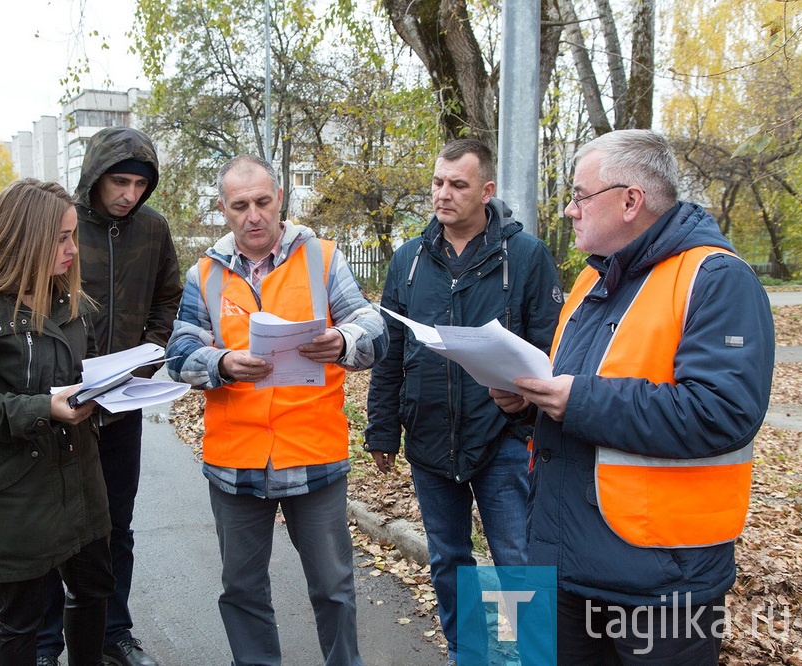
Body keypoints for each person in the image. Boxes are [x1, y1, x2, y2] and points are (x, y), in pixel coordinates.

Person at [491, 129, 774, 663]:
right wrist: (528, 404)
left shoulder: (716, 279)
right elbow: (576, 396)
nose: (570, 210)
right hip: (563, 559)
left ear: (630, 200)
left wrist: (576, 400)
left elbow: (722, 413)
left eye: (580, 195)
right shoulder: (588, 282)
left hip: (663, 580)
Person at [166, 155, 388, 666]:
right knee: (241, 590)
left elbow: (374, 333)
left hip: (313, 452)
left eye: (262, 202)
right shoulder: (204, 275)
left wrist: (341, 339)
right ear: (223, 209)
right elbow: (178, 356)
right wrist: (220, 362)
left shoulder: (323, 259)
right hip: (236, 459)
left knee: (333, 587)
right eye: (240, 205)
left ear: (280, 199)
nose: (253, 216)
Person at [364, 138, 563, 666]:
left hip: (502, 437)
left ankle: (534, 655)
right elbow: (390, 352)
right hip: (429, 437)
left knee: (517, 561)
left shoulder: (524, 257)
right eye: (437, 182)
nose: (443, 194)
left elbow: (551, 350)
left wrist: (526, 409)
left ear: (487, 191)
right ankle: (468, 652)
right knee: (451, 561)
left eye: (458, 184)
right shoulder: (408, 259)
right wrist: (382, 430)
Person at [0, 179, 115, 665]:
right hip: (18, 489)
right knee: (20, 613)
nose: (72, 249)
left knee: (94, 588)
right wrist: (42, 407)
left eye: (74, 235)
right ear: (25, 239)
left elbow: (87, 370)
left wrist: (108, 388)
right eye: (61, 237)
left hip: (81, 479)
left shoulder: (71, 300)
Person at [37, 127, 182, 666]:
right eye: (119, 181)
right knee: (55, 527)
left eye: (140, 184)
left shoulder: (153, 229)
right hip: (64, 403)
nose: (129, 194)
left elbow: (169, 295)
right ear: (95, 176)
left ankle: (112, 633)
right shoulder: (62, 225)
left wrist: (152, 347)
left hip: (123, 402)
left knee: (116, 525)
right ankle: (46, 643)